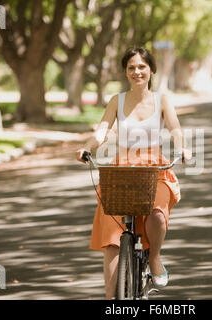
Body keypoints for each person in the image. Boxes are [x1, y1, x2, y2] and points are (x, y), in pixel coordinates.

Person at [75, 46, 191, 299]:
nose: (137, 72)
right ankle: (112, 300)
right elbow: (101, 132)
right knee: (113, 235)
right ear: (125, 71)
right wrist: (87, 147)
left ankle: (155, 257)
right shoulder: (117, 100)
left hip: (153, 169)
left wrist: (182, 149)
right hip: (122, 170)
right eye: (131, 67)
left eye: (142, 67)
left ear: (151, 70)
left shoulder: (162, 101)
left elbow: (175, 130)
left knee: (157, 214)